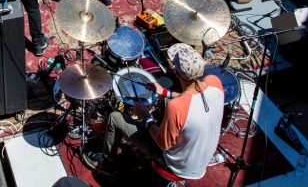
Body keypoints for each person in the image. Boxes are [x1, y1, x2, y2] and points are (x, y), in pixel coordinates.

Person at [83, 43, 224, 182]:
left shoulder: (177, 107)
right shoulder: (215, 83)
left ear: (176, 72)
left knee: (115, 118)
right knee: (165, 101)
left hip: (176, 165)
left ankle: (107, 164)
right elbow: (192, 97)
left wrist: (146, 117)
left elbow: (163, 144)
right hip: (201, 160)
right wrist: (164, 92)